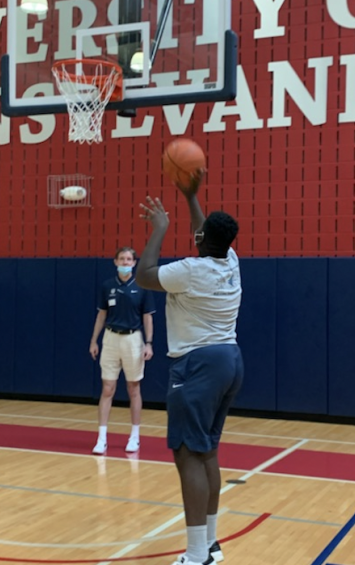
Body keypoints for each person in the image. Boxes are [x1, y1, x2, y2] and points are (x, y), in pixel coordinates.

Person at [135, 170, 243, 565]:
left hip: (198, 365)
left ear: (202, 241)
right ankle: (210, 544)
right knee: (207, 452)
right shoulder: (230, 260)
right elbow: (204, 234)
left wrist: (160, 228)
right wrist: (191, 197)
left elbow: (144, 275)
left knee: (186, 456)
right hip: (230, 359)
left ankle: (197, 555)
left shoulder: (190, 271)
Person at [89, 246, 156, 455]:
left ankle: (134, 437)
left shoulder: (142, 286)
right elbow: (101, 315)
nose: (125, 262)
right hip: (110, 338)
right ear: (115, 262)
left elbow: (147, 317)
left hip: (133, 339)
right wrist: (94, 341)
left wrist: (148, 342)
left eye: (129, 259)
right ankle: (102, 438)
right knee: (107, 388)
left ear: (134, 263)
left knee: (133, 388)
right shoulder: (107, 286)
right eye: (122, 259)